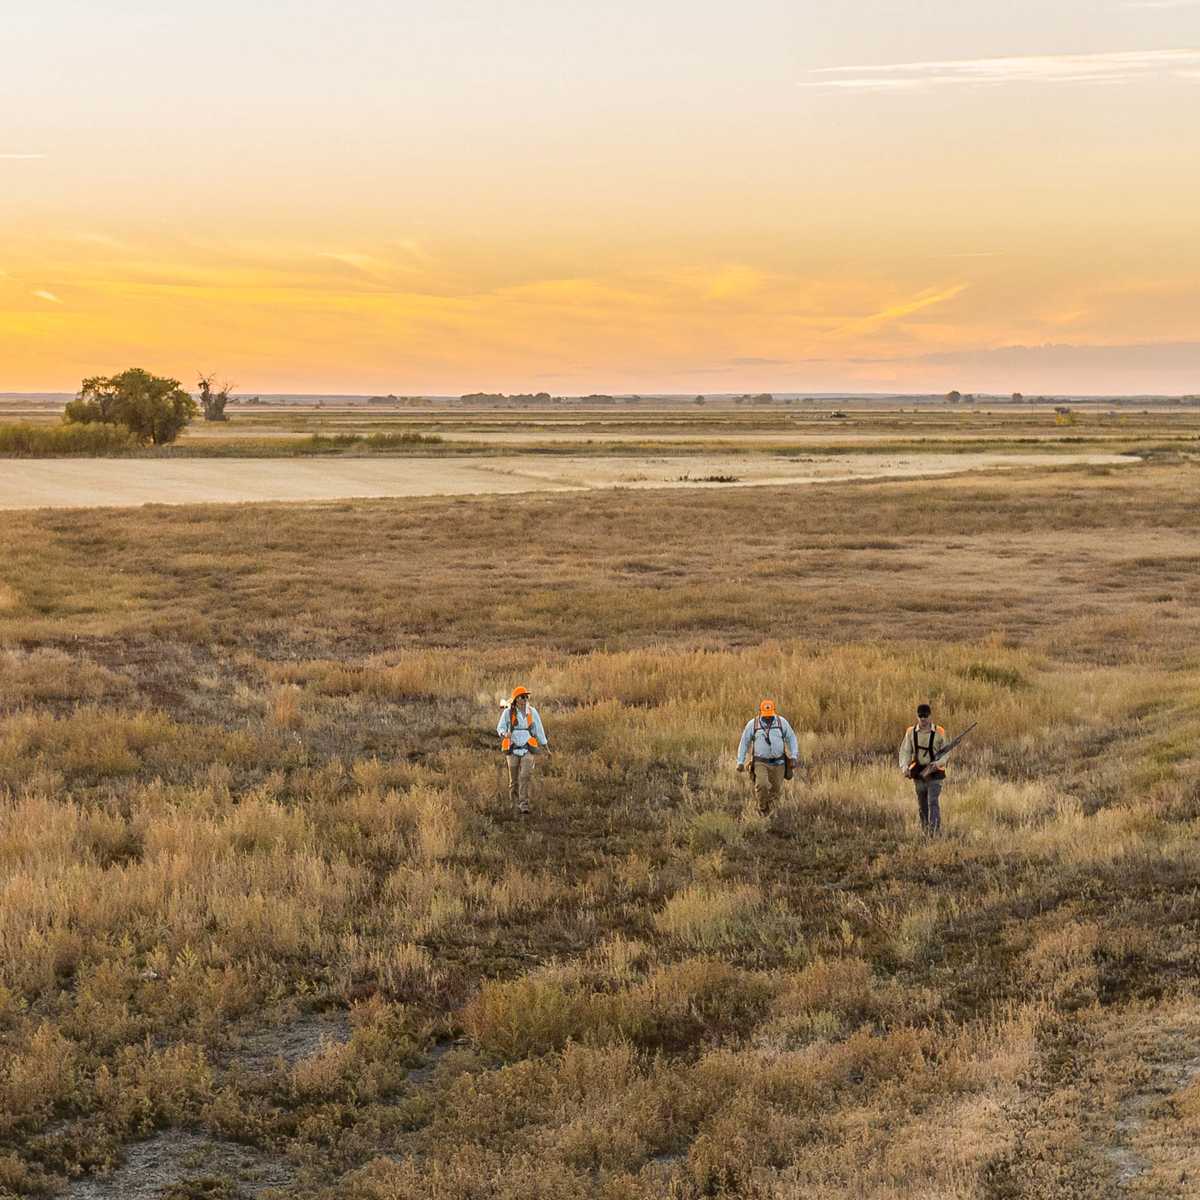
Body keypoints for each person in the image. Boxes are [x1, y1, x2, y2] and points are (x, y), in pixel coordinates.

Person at [736, 700, 799, 814]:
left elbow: (791, 738)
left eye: (770, 716)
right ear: (760, 712)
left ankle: (772, 813)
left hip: (779, 763)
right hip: (760, 762)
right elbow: (744, 742)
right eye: (765, 716)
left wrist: (794, 756)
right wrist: (740, 761)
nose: (768, 718)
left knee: (776, 790)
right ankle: (763, 808)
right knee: (762, 785)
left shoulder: (781, 722)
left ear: (774, 712)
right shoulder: (753, 724)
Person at [497, 686, 549, 813]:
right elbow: (500, 728)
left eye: (526, 697)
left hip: (528, 747)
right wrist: (505, 734)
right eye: (522, 697)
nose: (525, 699)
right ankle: (513, 805)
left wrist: (546, 747)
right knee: (513, 780)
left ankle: (523, 804)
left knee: (525, 776)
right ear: (516, 699)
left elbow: (539, 730)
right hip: (512, 747)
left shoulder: (532, 712)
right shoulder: (507, 713)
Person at [899, 703, 950, 834]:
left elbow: (946, 754)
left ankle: (934, 832)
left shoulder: (940, 732)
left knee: (932, 801)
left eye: (925, 716)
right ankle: (925, 831)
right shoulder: (910, 732)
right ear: (917, 716)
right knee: (922, 803)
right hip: (919, 774)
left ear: (930, 716)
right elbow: (905, 751)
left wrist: (937, 764)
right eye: (920, 716)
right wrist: (904, 767)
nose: (923, 719)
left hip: (935, 774)